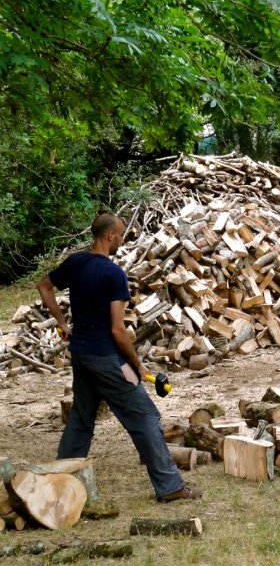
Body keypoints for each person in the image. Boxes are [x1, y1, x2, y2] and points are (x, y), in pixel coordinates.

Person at [36, 213, 201, 503]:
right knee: (145, 417)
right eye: (121, 235)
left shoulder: (75, 263)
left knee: (81, 419)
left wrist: (63, 323)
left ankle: (55, 484)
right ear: (110, 235)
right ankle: (170, 487)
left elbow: (43, 285)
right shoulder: (113, 274)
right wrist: (137, 364)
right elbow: (117, 329)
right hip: (106, 358)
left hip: (81, 355)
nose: (122, 240)